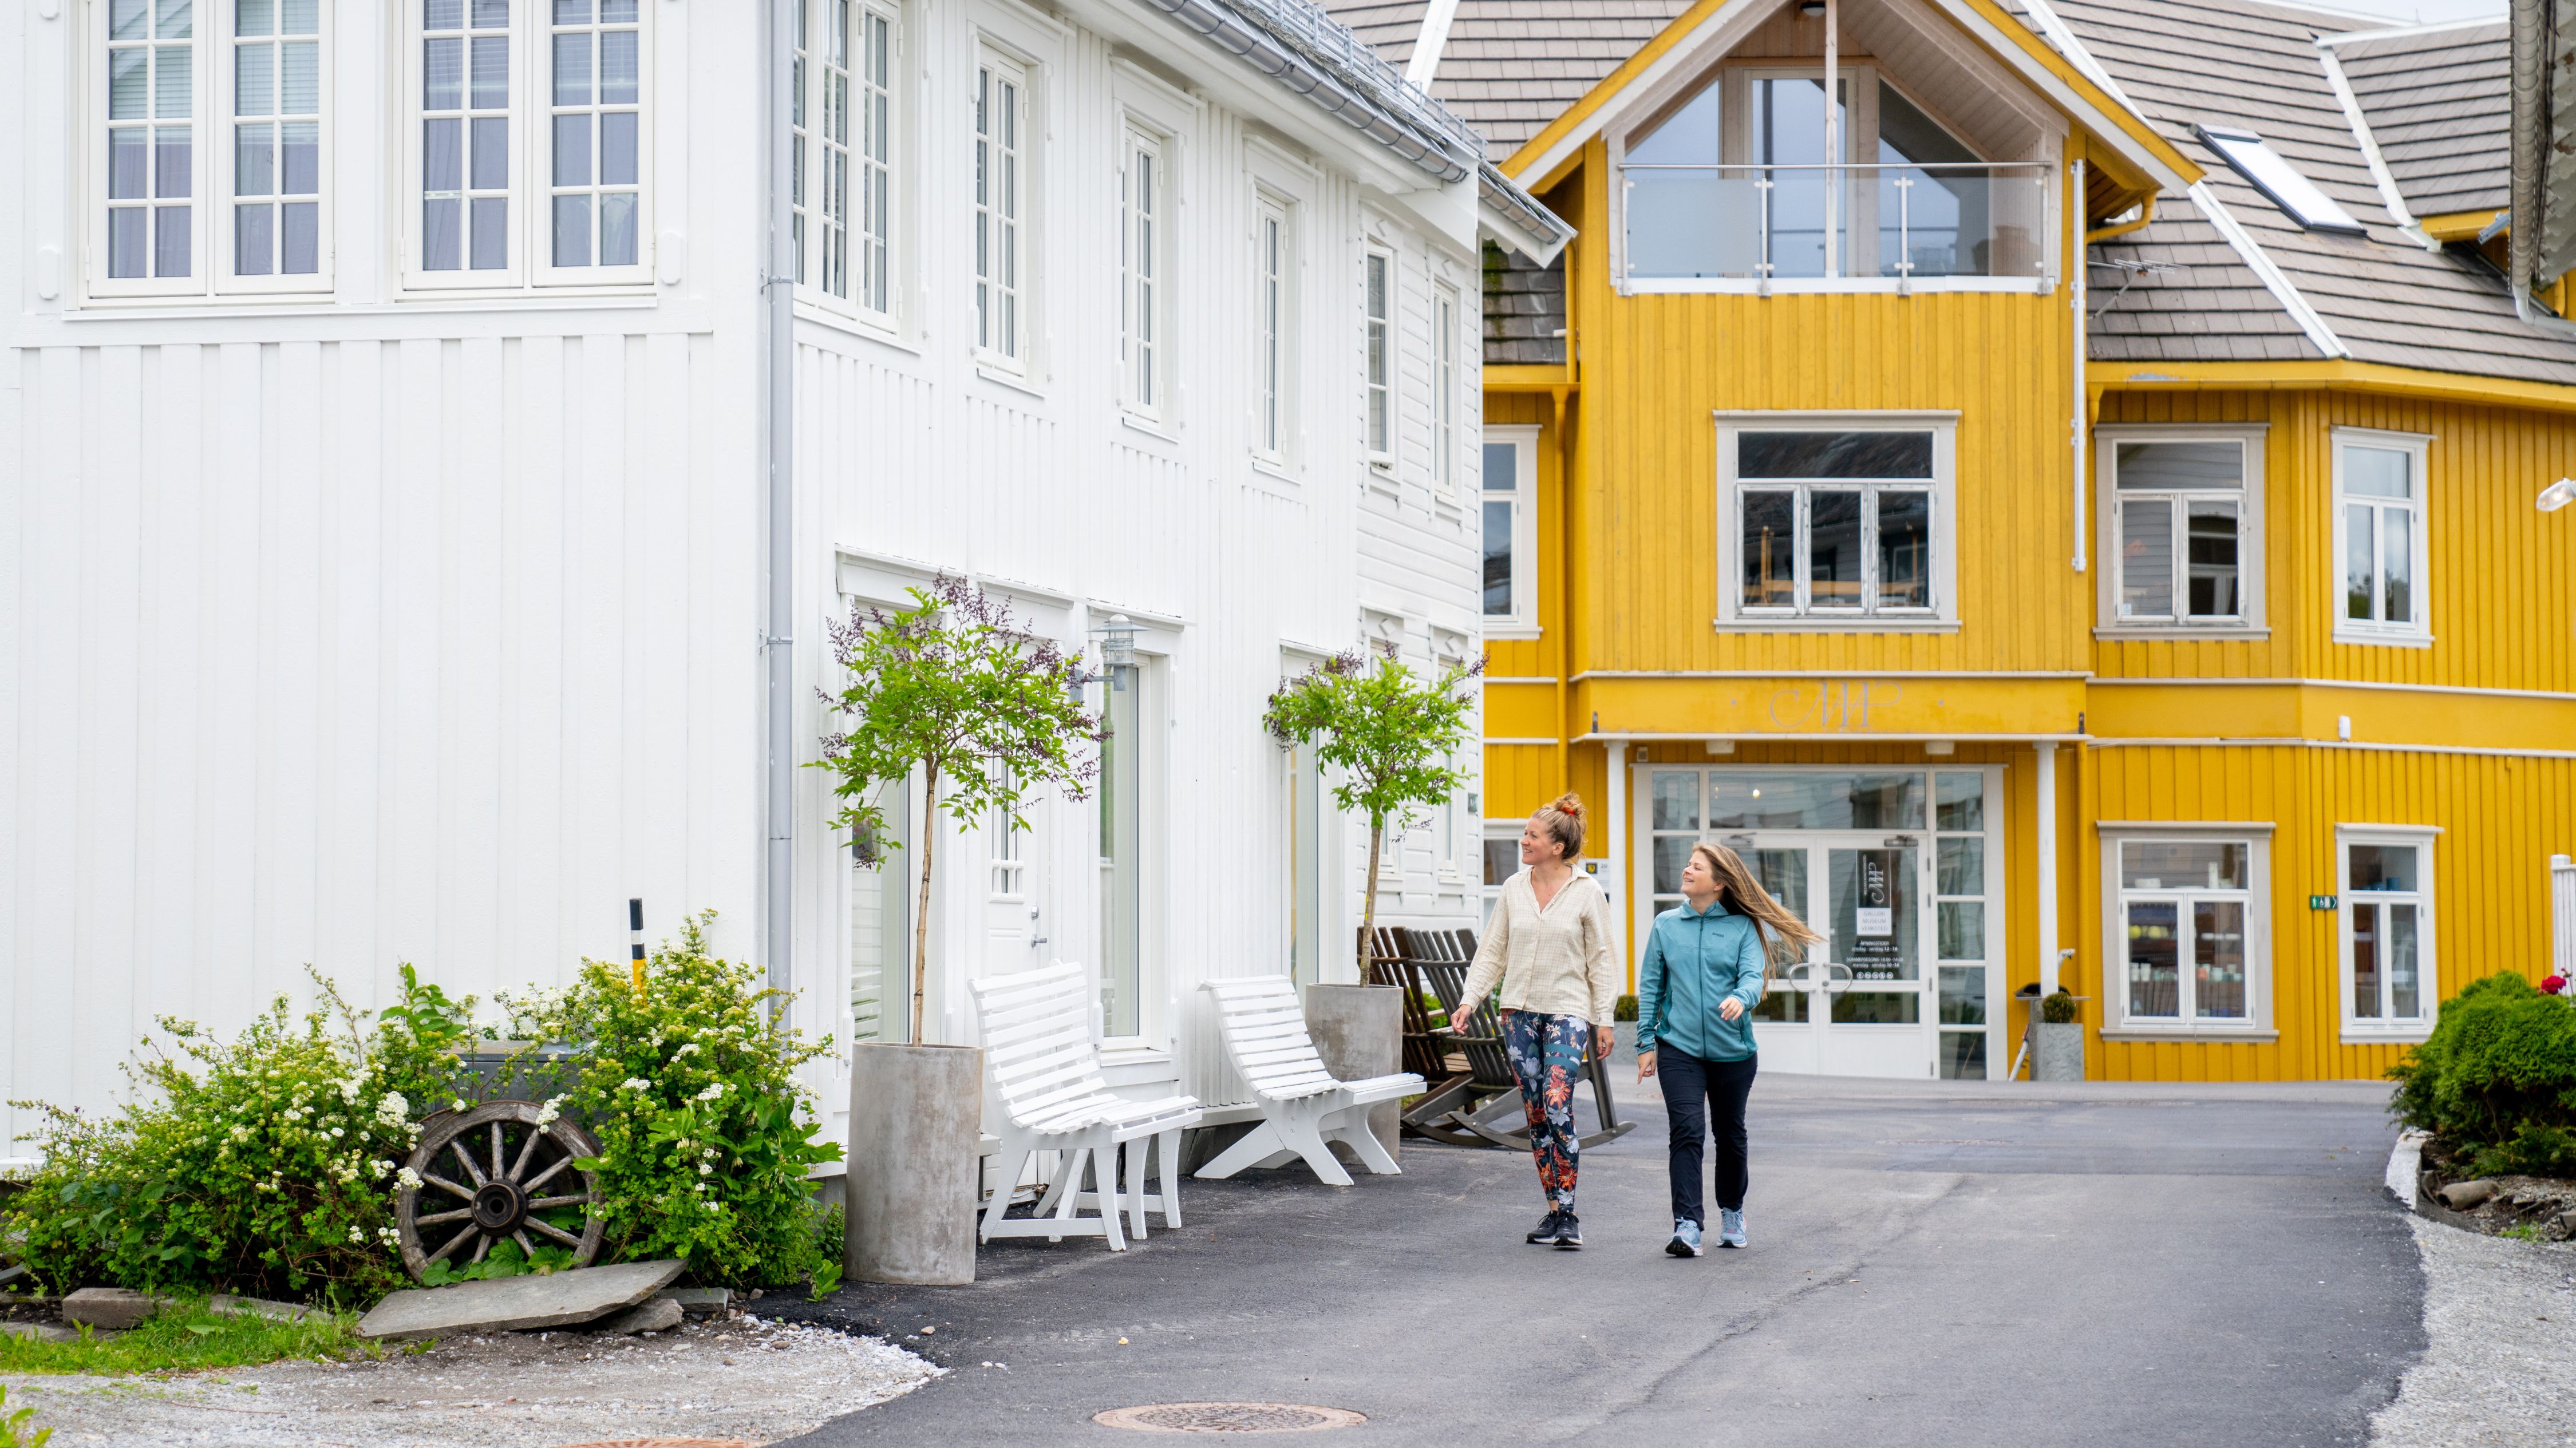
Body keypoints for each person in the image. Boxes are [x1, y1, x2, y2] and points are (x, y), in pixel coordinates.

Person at [1451, 793, 1621, 1248]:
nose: (1523, 841)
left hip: (1569, 1010)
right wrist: (1470, 1000)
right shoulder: (1513, 888)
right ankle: (1554, 1210)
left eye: (1532, 835)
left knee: (1556, 1101)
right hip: (1519, 1013)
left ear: (1557, 847)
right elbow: (1493, 950)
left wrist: (1604, 1019)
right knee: (1536, 1111)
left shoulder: (1587, 892)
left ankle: (1570, 1212)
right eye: (1525, 834)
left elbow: (1602, 959)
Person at [1635, 841, 1821, 1257]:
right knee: (1687, 1130)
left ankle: (1733, 1211)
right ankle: (1687, 1225)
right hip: (1679, 1048)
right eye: (1688, 864)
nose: (1686, 870)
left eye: (1696, 867)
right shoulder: (1666, 925)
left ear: (1719, 883)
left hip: (1733, 1052)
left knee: (1730, 1134)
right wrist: (1646, 1042)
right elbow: (1651, 986)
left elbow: (1753, 976)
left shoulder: (1742, 928)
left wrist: (1742, 996)